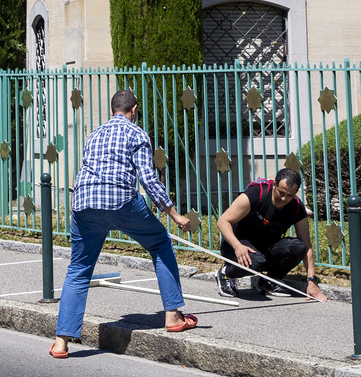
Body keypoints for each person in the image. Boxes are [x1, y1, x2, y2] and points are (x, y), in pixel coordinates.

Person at [49, 89, 198, 360]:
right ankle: (174, 315)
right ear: (134, 110)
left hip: (83, 204)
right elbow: (148, 179)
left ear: (111, 111)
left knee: (79, 269)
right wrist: (174, 214)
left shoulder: (94, 134)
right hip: (120, 202)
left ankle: (61, 342)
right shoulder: (136, 133)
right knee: (161, 243)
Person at [215, 168, 326, 301]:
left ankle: (269, 281)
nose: (283, 198)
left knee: (298, 247)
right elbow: (223, 221)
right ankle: (226, 273)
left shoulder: (296, 207)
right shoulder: (256, 194)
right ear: (274, 184)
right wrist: (237, 246)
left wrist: (312, 281)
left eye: (289, 195)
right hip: (236, 245)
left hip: (265, 248)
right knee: (256, 262)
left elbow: (307, 246)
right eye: (281, 192)